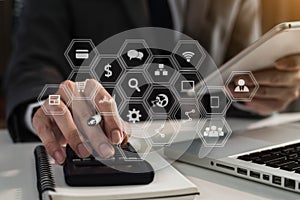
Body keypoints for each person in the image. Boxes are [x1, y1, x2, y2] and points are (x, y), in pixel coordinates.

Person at [5, 0, 300, 164]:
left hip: (207, 154)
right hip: (105, 155)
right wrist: (50, 108)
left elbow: (243, 69)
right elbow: (32, 66)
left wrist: (262, 94)